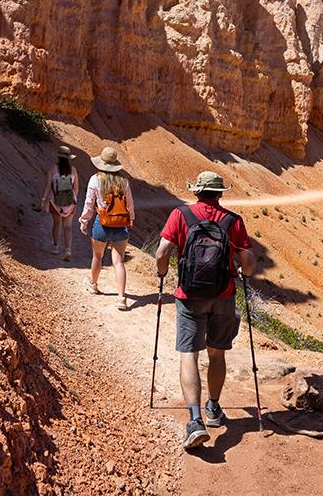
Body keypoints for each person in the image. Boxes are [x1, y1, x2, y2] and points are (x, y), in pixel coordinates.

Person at [155, 171, 256, 450]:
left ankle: (195, 419)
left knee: (189, 354)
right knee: (216, 353)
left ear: (197, 192)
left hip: (189, 296)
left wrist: (162, 272)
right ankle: (213, 408)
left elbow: (162, 252)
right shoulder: (233, 221)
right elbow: (248, 259)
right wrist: (243, 273)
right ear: (220, 194)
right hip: (223, 295)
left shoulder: (180, 215)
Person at [79, 146, 135, 311]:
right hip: (120, 225)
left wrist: (84, 221)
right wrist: (130, 220)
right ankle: (121, 298)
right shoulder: (124, 181)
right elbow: (129, 204)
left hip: (101, 224)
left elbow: (89, 204)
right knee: (119, 262)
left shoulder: (95, 180)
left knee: (97, 256)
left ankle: (94, 284)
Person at [40, 145, 79, 261]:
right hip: (70, 202)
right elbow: (76, 188)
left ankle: (56, 247)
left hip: (55, 201)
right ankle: (68, 250)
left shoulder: (53, 168)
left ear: (59, 156)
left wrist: (43, 200)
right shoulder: (73, 170)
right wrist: (73, 200)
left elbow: (47, 186)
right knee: (68, 226)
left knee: (57, 224)